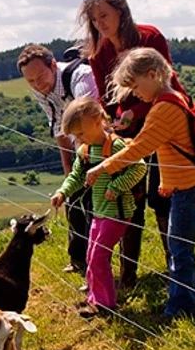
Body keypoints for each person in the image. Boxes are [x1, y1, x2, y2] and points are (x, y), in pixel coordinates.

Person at [86, 47, 195, 321]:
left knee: (179, 248)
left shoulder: (164, 108)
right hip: (185, 185)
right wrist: (166, 183)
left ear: (153, 74)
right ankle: (185, 297)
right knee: (179, 245)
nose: (134, 94)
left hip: (189, 188)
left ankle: (180, 308)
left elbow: (141, 149)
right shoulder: (169, 100)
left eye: (135, 85)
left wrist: (103, 165)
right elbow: (163, 146)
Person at [77, 0, 186, 289]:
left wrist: (133, 114)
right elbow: (107, 97)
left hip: (164, 123)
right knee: (128, 197)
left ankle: (175, 270)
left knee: (163, 196)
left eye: (104, 15)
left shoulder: (149, 37)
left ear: (120, 10)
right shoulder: (99, 53)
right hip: (127, 131)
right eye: (94, 18)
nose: (100, 23)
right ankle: (128, 275)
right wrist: (110, 122)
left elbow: (164, 82)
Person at [50, 97, 147, 318]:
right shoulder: (86, 150)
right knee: (91, 254)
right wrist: (63, 192)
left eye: (82, 133)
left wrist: (117, 185)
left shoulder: (115, 146)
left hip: (117, 212)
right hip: (99, 211)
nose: (79, 139)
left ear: (97, 121)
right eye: (76, 136)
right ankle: (94, 298)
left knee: (98, 257)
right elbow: (76, 175)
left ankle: (106, 305)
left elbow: (139, 167)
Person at [17, 43, 99, 274]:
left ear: (53, 65)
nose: (38, 84)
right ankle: (78, 260)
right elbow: (59, 127)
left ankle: (98, 264)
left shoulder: (81, 78)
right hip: (78, 143)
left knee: (95, 205)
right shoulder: (39, 88)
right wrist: (68, 173)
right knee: (73, 198)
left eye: (41, 75)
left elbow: (87, 121)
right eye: (30, 81)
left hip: (102, 142)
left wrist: (82, 168)